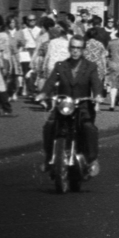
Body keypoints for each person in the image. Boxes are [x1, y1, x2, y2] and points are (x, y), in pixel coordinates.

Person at [41, 36, 102, 177]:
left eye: (79, 48)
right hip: (64, 106)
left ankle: (92, 159)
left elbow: (96, 83)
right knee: (49, 126)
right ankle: (48, 158)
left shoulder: (91, 66)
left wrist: (98, 95)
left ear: (83, 50)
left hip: (82, 106)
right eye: (73, 47)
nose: (75, 51)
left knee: (89, 128)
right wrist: (43, 93)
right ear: (69, 48)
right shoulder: (61, 66)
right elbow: (51, 81)